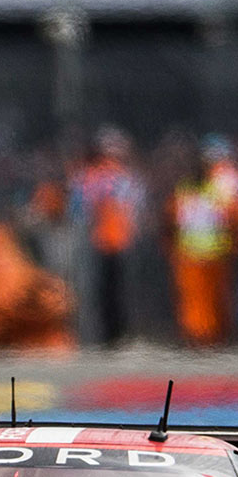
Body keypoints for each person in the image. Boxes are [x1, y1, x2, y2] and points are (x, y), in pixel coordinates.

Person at [166, 136, 238, 346]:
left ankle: (205, 335)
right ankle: (205, 335)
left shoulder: (186, 192)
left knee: (202, 298)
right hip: (205, 253)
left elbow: (171, 221)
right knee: (202, 298)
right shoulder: (212, 192)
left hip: (200, 253)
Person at [72, 126, 143, 345]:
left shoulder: (104, 174)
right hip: (104, 240)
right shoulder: (104, 175)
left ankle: (112, 335)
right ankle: (109, 336)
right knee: (106, 292)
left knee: (109, 292)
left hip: (110, 240)